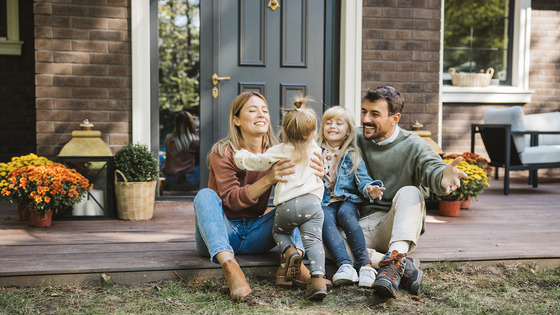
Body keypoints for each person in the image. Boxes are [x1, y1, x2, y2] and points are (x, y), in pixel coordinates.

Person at [192, 91, 325, 301]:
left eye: (264, 110)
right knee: (204, 196)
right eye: (252, 110)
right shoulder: (223, 152)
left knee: (298, 204)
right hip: (222, 231)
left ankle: (291, 262)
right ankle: (230, 266)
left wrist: (318, 170)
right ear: (236, 120)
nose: (261, 115)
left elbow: (312, 176)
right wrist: (270, 178)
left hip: (257, 232)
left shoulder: (280, 151)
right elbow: (232, 201)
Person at [356, 86, 467, 299]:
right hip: (359, 223)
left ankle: (394, 258)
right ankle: (400, 265)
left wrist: (443, 176)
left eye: (374, 114)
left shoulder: (414, 145)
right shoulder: (354, 137)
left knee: (410, 192)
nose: (366, 119)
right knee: (326, 240)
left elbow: (431, 167)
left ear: (394, 118)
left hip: (395, 224)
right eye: (363, 111)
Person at [234, 97, 328, 301]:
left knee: (280, 232)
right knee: (314, 242)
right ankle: (318, 279)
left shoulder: (279, 151)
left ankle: (290, 252)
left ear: (284, 132)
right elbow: (324, 170)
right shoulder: (316, 149)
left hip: (287, 207)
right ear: (313, 132)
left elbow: (255, 162)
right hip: (312, 205)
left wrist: (239, 156)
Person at [318, 106, 385, 288]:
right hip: (324, 202)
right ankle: (345, 265)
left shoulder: (352, 154)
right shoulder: (315, 152)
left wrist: (371, 189)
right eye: (328, 123)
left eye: (339, 123)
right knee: (323, 217)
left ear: (348, 131)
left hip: (348, 200)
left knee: (346, 215)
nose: (333, 126)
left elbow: (363, 180)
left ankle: (365, 266)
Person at [161, 111, 200, 189]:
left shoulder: (168, 139)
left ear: (176, 124)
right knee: (204, 162)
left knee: (159, 157)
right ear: (191, 124)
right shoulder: (196, 141)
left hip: (169, 179)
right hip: (189, 180)